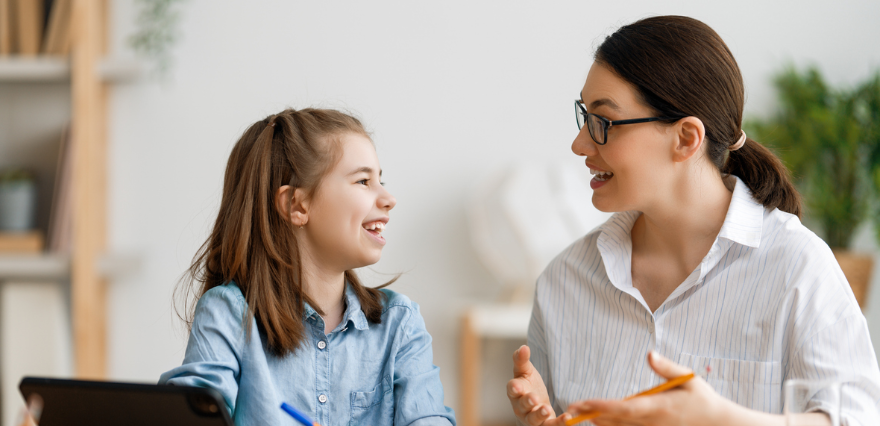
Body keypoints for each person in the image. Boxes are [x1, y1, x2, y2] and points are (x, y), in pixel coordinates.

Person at [506, 15, 880, 426]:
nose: (579, 144)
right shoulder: (564, 282)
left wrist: (724, 419)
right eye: (585, 115)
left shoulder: (798, 269)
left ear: (686, 138)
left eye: (604, 122)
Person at [160, 108, 455, 426]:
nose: (388, 198)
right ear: (296, 205)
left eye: (381, 180)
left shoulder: (400, 324)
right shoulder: (227, 313)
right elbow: (190, 415)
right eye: (363, 181)